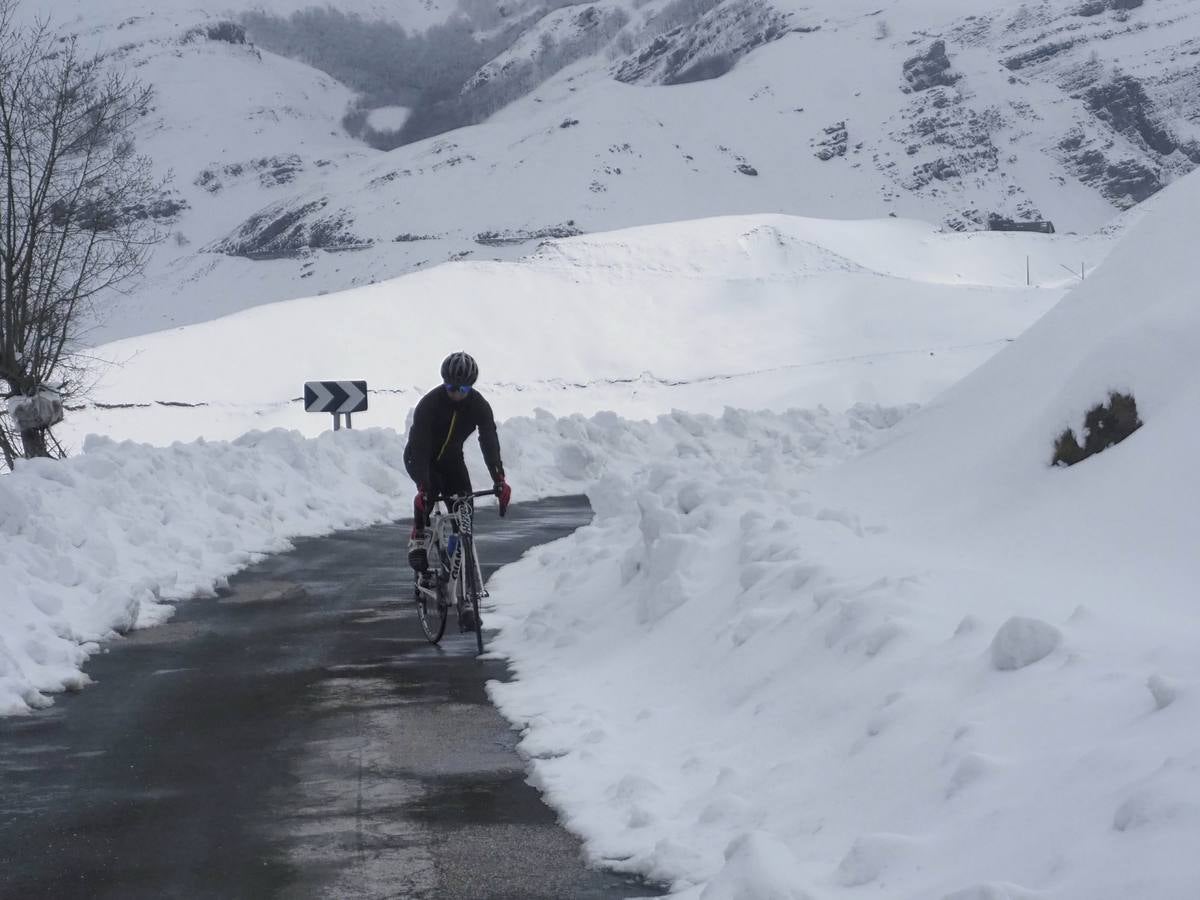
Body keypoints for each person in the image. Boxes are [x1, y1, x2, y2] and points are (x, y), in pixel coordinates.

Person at [404, 352, 511, 627]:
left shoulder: (479, 406)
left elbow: (489, 441)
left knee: (465, 517)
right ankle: (418, 540)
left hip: (452, 461)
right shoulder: (429, 404)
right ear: (444, 384)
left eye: (463, 389)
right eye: (451, 387)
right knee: (430, 491)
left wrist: (499, 478)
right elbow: (419, 445)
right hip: (422, 458)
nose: (457, 393)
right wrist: (423, 484)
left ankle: (463, 594)